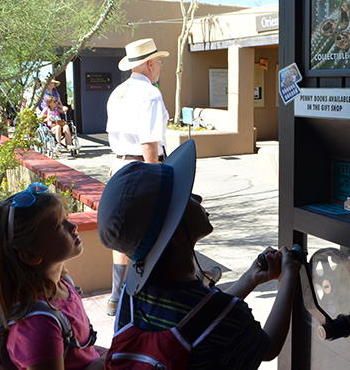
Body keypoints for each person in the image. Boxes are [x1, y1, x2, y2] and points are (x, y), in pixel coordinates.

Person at [97, 140, 301, 368]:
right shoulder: (230, 318)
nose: (198, 198)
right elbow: (268, 346)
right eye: (185, 198)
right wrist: (288, 279)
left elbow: (203, 316)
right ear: (175, 234)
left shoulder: (132, 294)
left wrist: (250, 278)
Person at [0, 183, 106, 370]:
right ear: (31, 255)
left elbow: (79, 351)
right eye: (59, 224)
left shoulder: (63, 285)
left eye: (67, 218)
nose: (73, 226)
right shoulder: (38, 325)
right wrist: (102, 364)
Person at [104, 38, 170, 316]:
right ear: (150, 63)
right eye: (160, 63)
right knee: (153, 230)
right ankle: (152, 294)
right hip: (142, 168)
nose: (160, 68)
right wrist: (158, 179)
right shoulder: (151, 94)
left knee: (123, 233)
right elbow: (149, 143)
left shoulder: (118, 92)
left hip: (119, 167)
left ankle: (116, 296)